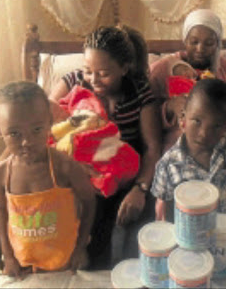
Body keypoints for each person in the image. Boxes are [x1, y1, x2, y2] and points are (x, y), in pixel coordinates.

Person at [49, 26, 162, 267]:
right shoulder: (73, 81)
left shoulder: (139, 92)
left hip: (128, 174)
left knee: (141, 232)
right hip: (81, 172)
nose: (93, 80)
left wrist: (140, 189)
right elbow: (48, 123)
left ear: (124, 67)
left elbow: (153, 147)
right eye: (89, 70)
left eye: (103, 73)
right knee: (92, 236)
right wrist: (75, 168)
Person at [0, 81, 96, 278]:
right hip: (24, 262)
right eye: (14, 134)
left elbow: (88, 202)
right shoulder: (1, 174)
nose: (27, 142)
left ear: (50, 121)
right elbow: (1, 212)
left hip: (65, 260)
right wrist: (8, 257)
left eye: (37, 130)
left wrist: (80, 247)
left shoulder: (66, 167)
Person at [150, 79, 226, 240]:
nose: (204, 133)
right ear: (183, 117)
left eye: (216, 126)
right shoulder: (168, 165)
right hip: (194, 240)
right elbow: (167, 206)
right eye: (197, 121)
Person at [149, 9, 226, 153]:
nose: (200, 49)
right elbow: (145, 112)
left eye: (209, 43)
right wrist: (169, 107)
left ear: (217, 43)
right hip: (178, 147)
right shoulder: (163, 68)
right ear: (185, 40)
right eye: (194, 42)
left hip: (223, 146)